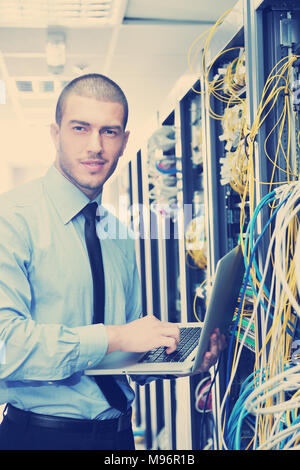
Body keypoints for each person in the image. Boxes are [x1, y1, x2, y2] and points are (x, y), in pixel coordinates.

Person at [0, 73, 225, 450]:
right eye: (80, 128)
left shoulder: (116, 232)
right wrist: (116, 335)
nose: (95, 146)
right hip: (40, 437)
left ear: (124, 142)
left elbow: (127, 357)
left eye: (109, 132)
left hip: (117, 437)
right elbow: (7, 347)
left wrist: (180, 357)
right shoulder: (12, 218)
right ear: (55, 134)